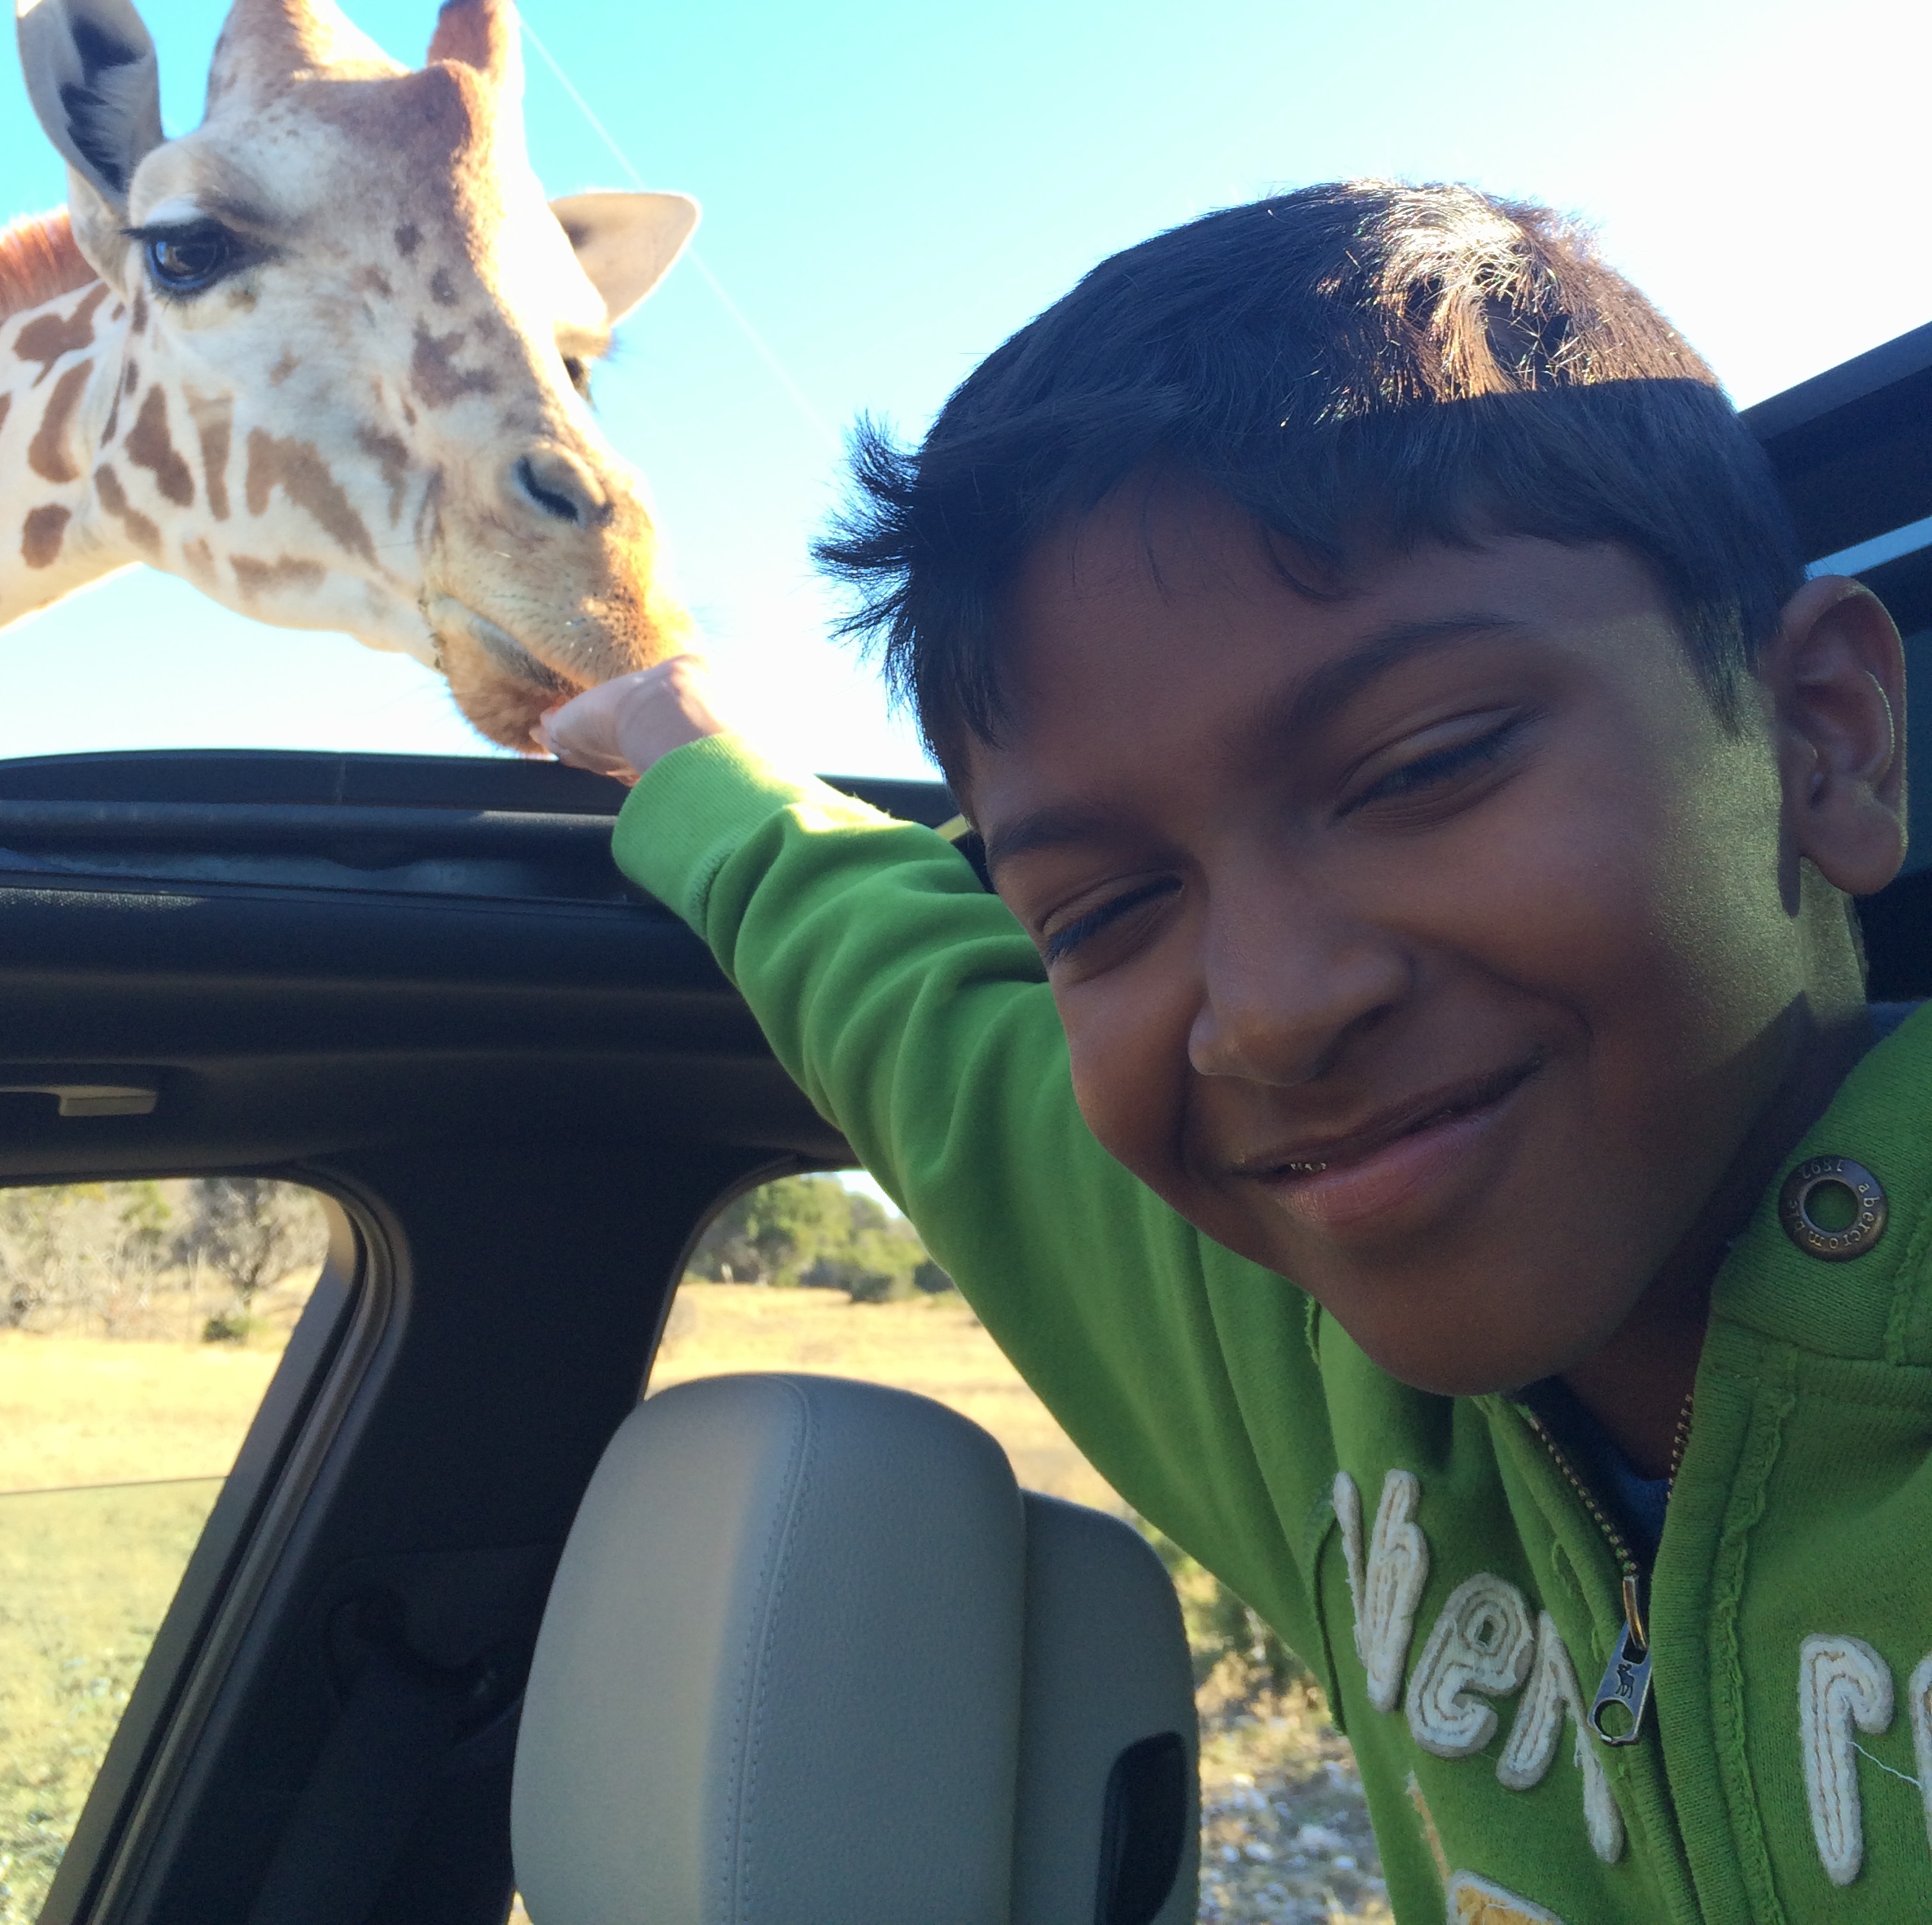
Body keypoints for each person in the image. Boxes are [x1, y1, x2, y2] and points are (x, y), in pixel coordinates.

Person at [540, 181, 1923, 1925]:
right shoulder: (1308, 1363)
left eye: (1423, 769)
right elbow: (916, 1010)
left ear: (1828, 739)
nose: (1264, 1008)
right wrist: (689, 754)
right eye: (1107, 912)